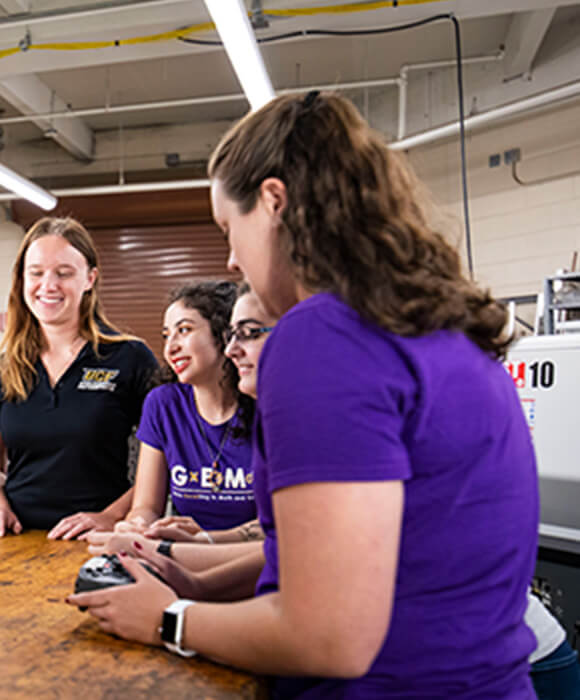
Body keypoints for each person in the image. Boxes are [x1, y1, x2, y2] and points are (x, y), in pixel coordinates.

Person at [68, 91, 539, 698]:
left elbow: (330, 636)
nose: (233, 260)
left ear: (272, 202)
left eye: (228, 230)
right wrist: (203, 587)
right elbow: (361, 559)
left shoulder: (322, 336)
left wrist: (168, 620)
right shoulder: (437, 330)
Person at [0, 216, 157, 538]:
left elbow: (165, 458)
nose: (48, 285)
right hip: (17, 539)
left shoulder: (130, 358)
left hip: (99, 539)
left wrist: (111, 516)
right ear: (21, 280)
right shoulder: (5, 368)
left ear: (90, 279)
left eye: (64, 273)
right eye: (37, 273)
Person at [116, 281, 255, 535]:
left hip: (254, 559)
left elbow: (280, 525)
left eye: (184, 330)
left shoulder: (264, 405)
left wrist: (208, 540)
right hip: (186, 555)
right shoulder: (162, 405)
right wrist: (138, 525)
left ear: (224, 334)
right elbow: (146, 505)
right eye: (167, 335)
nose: (170, 348)